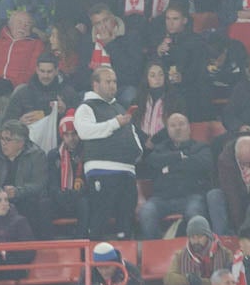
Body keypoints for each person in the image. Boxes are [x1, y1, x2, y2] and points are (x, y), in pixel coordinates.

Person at [73, 65, 143, 240]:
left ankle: (124, 262)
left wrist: (137, 150)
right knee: (100, 221)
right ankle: (96, 264)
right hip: (101, 170)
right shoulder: (85, 107)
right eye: (108, 81)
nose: (113, 85)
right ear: (95, 85)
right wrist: (114, 124)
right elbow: (85, 132)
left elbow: (131, 132)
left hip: (127, 171)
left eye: (114, 82)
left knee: (125, 224)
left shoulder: (120, 108)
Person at [137, 114, 211, 238]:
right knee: (146, 212)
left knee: (195, 213)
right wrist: (180, 156)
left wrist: (168, 167)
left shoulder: (201, 147)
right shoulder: (160, 149)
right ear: (168, 130)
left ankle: (194, 249)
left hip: (191, 196)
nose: (177, 128)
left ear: (189, 127)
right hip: (161, 198)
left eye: (181, 124)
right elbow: (152, 161)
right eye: (173, 125)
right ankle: (156, 248)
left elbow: (202, 163)